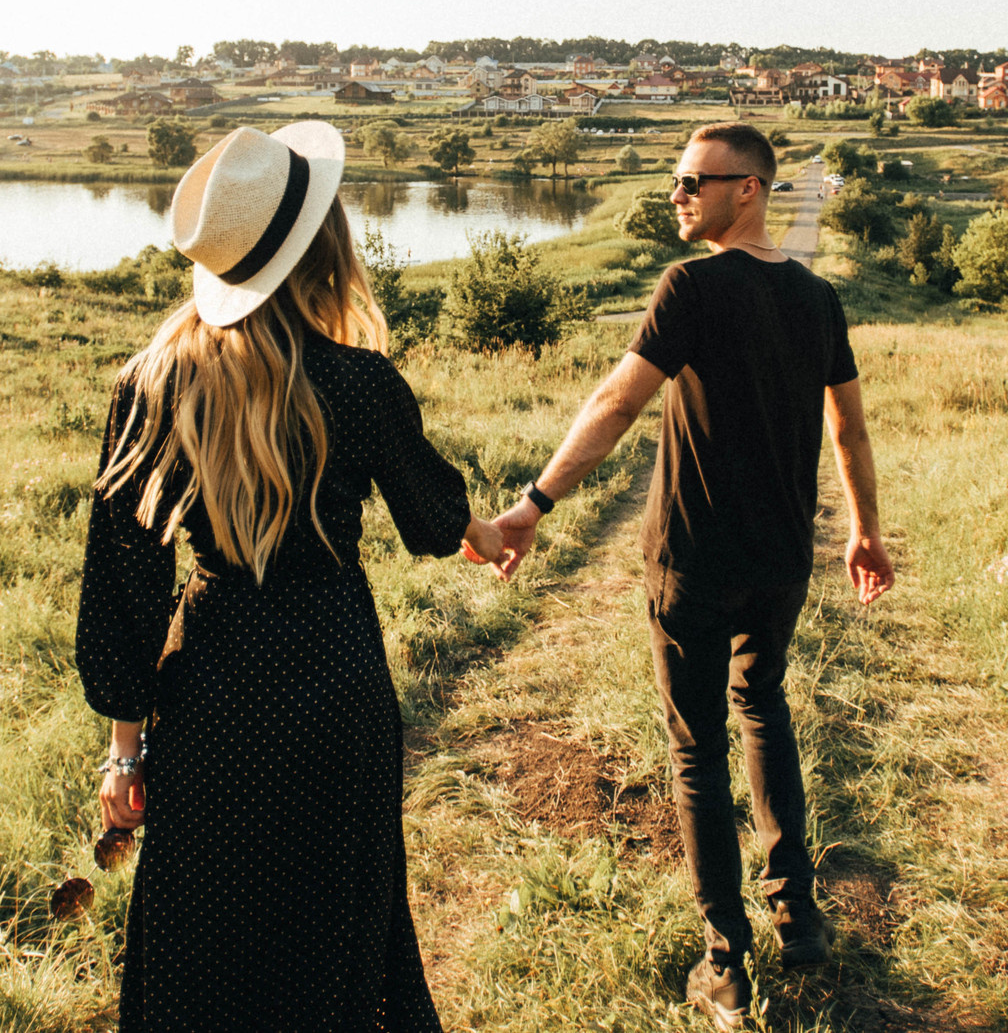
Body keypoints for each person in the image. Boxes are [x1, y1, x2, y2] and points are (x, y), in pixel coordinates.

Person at [77, 123, 504, 1033]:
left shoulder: (150, 383)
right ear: (323, 244)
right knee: (334, 917)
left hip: (213, 693)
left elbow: (128, 588)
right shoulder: (359, 381)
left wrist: (123, 751)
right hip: (334, 681)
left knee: (205, 921)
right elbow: (437, 519)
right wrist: (494, 531)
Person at [486, 122, 893, 1027]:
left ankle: (726, 958)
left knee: (698, 749)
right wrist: (863, 530)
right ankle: (798, 916)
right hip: (782, 560)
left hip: (695, 559)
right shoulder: (818, 298)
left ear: (748, 189)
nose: (677, 194)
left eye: (692, 180)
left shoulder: (692, 285)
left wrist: (533, 504)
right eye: (676, 180)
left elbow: (619, 400)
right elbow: (850, 430)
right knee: (765, 710)